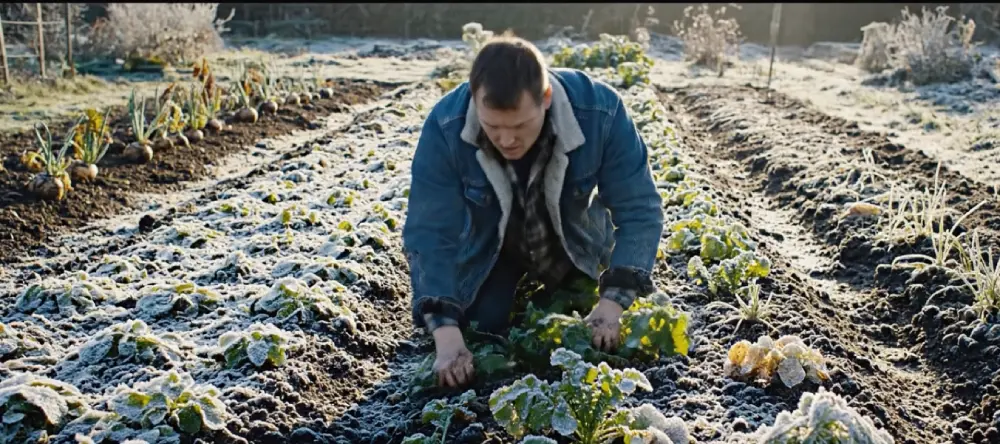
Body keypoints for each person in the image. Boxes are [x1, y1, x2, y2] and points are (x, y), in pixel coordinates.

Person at [402, 32, 663, 388]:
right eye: (493, 127)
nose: (507, 139)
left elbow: (640, 210)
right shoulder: (446, 124)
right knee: (482, 324)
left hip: (574, 242)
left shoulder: (600, 111)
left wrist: (614, 301)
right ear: (475, 100)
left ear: (546, 98)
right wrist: (445, 334)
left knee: (582, 324)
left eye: (520, 126)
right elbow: (430, 231)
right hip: (491, 248)